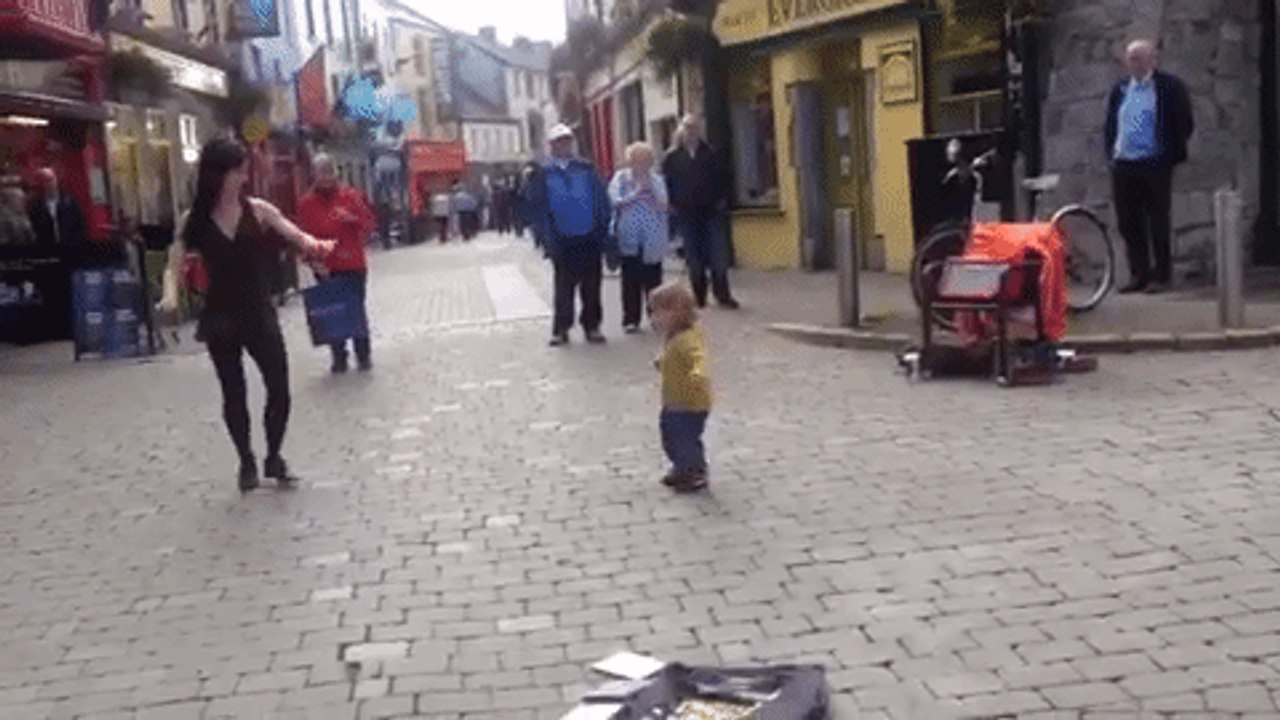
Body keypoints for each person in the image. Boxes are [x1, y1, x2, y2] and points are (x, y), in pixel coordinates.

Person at [160, 138, 335, 492]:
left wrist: (316, 246)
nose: (244, 177)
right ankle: (246, 459)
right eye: (238, 171)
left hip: (258, 310)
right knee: (233, 391)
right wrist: (170, 296)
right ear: (219, 175)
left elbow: (293, 232)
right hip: (221, 315)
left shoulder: (258, 211)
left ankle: (274, 454)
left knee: (279, 386)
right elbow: (173, 263)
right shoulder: (194, 219)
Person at [1105, 39, 1194, 295]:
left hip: (1155, 162)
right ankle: (1139, 273)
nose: (1135, 64)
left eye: (1140, 58)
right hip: (1124, 163)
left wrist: (1170, 152)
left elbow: (1184, 121)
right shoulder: (1121, 89)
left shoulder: (1168, 87)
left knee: (1157, 220)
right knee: (1129, 222)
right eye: (1131, 58)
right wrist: (1111, 152)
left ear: (1153, 60)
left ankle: (1161, 275)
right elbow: (1112, 124)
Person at [527, 123, 611, 346]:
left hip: (589, 234)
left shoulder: (586, 168)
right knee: (564, 286)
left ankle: (592, 326)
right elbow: (536, 205)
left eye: (566, 141)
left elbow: (600, 198)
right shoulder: (544, 173)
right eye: (558, 142)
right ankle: (561, 328)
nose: (563, 145)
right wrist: (543, 235)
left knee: (591, 285)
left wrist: (603, 227)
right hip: (561, 236)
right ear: (552, 146)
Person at [297, 153, 378, 374]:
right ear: (313, 175)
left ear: (335, 173)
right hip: (326, 265)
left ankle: (363, 355)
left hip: (352, 262)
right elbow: (302, 235)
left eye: (328, 172)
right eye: (319, 173)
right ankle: (339, 357)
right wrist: (312, 260)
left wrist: (352, 220)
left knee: (356, 308)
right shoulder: (306, 203)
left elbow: (369, 224)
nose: (324, 178)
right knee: (331, 311)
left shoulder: (350, 196)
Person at [662, 114, 739, 310]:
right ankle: (699, 296)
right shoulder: (672, 158)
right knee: (694, 258)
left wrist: (722, 202)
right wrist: (672, 205)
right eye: (687, 127)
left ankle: (722, 294)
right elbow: (667, 185)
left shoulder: (712, 154)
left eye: (695, 127)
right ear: (681, 131)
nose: (691, 131)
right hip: (686, 214)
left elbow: (725, 180)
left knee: (717, 255)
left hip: (711, 212)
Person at [650, 282, 712, 493]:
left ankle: (694, 472)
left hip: (690, 403)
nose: (654, 318)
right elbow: (672, 359)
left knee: (685, 438)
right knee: (670, 436)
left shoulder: (688, 339)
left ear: (677, 312)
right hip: (673, 401)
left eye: (659, 312)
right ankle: (681, 467)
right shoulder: (673, 337)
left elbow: (698, 358)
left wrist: (698, 374)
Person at [609, 142, 669, 333]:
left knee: (654, 280)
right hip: (629, 236)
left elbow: (664, 203)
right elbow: (615, 201)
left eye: (646, 161)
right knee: (630, 280)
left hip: (652, 235)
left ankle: (656, 316)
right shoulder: (621, 178)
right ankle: (631, 319)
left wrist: (650, 189)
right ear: (630, 161)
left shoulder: (657, 180)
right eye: (638, 161)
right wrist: (635, 194)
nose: (642, 165)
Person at [28, 167, 87, 249]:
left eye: (51, 179)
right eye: (45, 180)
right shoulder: (37, 207)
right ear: (41, 183)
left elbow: (80, 226)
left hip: (71, 249)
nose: (50, 183)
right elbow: (35, 230)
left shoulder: (69, 202)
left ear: (56, 179)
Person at [0, 181, 35, 246]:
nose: (23, 202)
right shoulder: (4, 218)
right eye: (19, 199)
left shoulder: (23, 216)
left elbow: (31, 237)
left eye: (22, 199)